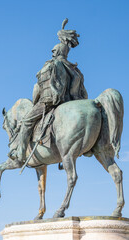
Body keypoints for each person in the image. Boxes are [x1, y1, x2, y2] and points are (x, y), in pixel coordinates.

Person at [10, 19, 88, 162]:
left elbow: (38, 88)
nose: (52, 54)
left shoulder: (50, 65)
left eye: (53, 51)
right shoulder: (74, 69)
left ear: (56, 51)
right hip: (68, 100)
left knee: (27, 121)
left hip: (49, 101)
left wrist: (36, 102)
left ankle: (20, 154)